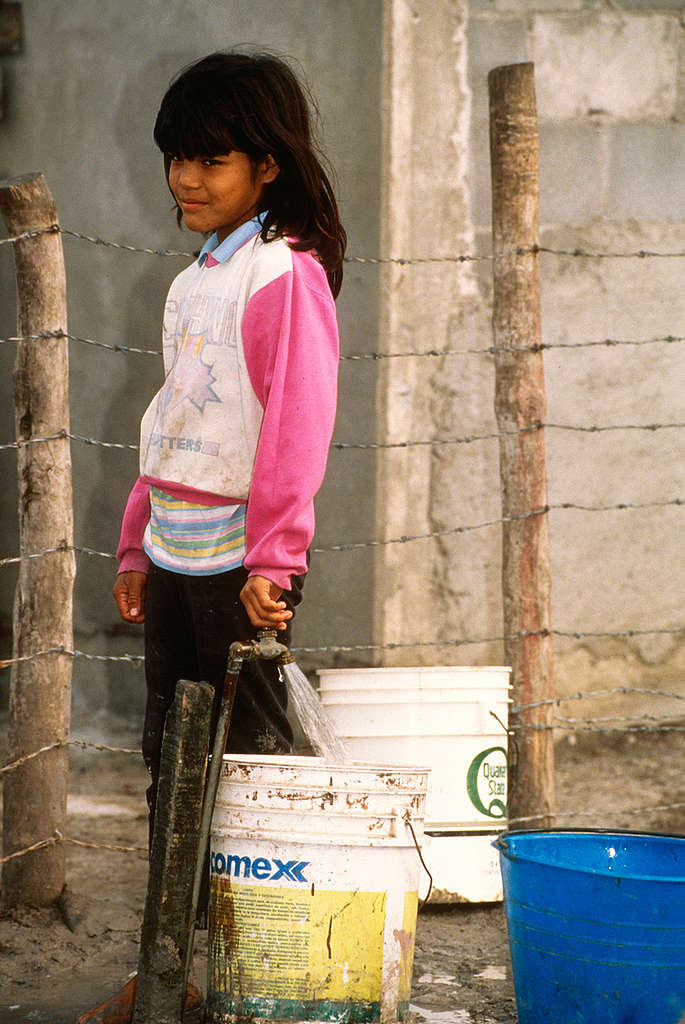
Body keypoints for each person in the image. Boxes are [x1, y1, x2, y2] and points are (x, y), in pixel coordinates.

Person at [81, 50, 345, 1024]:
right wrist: (133, 541)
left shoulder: (282, 276)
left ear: (267, 165)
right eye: (176, 159)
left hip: (240, 573)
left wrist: (276, 559)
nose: (186, 179)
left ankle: (251, 981)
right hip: (176, 561)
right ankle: (167, 978)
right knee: (172, 773)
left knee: (246, 784)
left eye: (211, 159)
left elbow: (295, 425)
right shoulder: (196, 278)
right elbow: (174, 422)